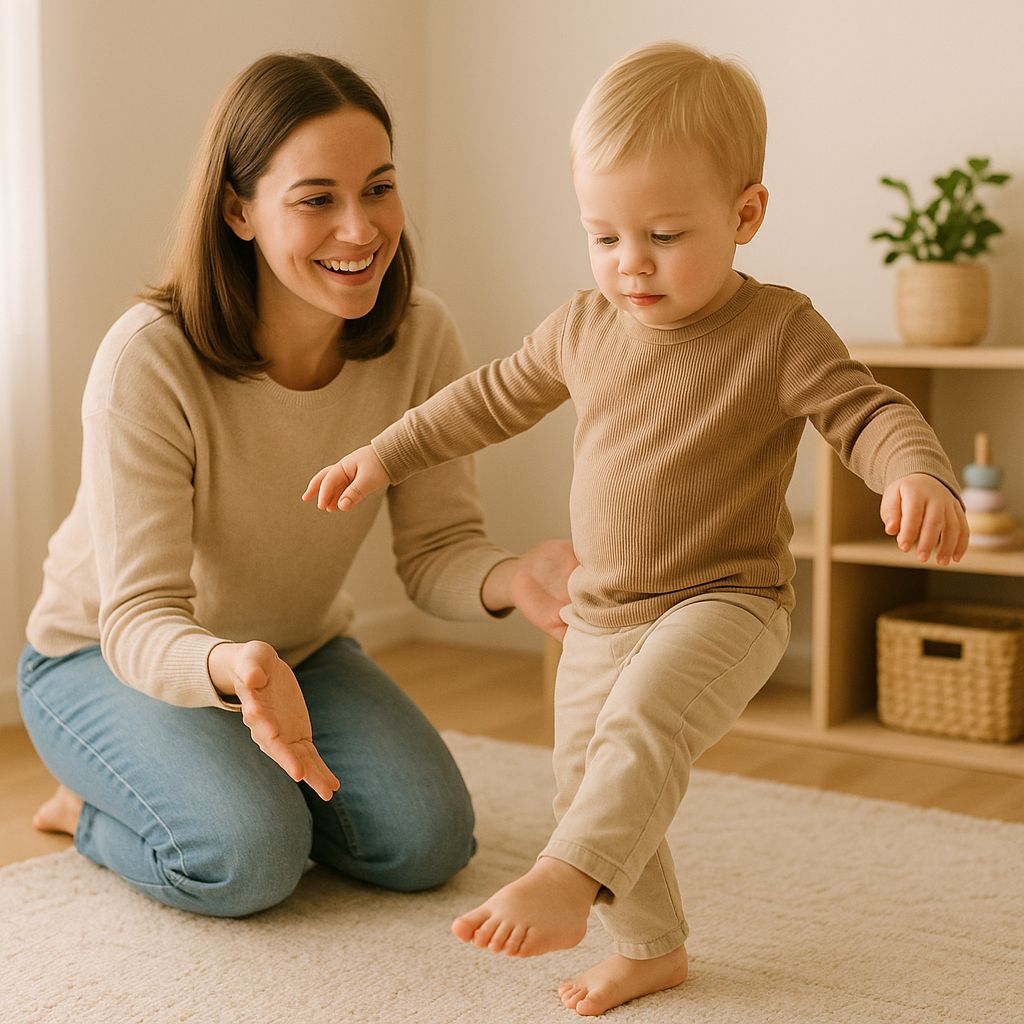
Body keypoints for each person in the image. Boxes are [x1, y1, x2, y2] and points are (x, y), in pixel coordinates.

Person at [304, 42, 970, 1017]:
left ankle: (565, 878)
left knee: (642, 727)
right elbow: (483, 399)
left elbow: (867, 412)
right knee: (593, 781)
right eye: (604, 235)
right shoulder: (584, 325)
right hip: (602, 611)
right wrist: (384, 453)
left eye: (663, 234)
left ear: (745, 215)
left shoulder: (777, 330)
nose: (631, 263)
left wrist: (915, 470)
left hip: (727, 601)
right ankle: (651, 947)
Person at [17, 52, 575, 920]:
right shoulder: (149, 360)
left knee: (427, 842)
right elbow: (137, 618)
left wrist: (514, 579)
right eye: (317, 199)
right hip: (104, 659)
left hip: (296, 651)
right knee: (247, 858)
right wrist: (228, 665)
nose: (361, 229)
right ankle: (88, 811)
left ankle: (232, 783)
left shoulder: (420, 333)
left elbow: (436, 549)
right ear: (238, 210)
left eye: (379, 188)